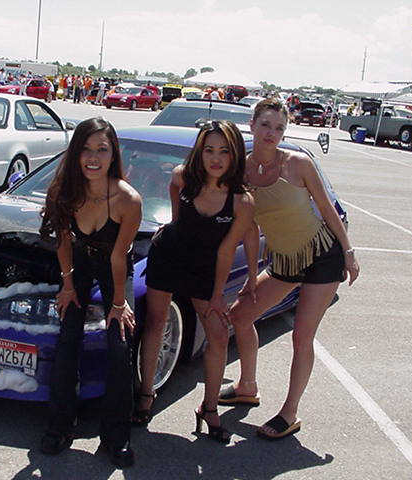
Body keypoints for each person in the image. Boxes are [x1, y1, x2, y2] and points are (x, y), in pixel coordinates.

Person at [219, 98, 360, 440]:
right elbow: (250, 227)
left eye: (279, 127)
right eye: (265, 125)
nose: (272, 133)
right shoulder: (241, 172)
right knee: (239, 316)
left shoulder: (298, 164)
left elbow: (327, 208)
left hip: (322, 256)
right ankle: (247, 386)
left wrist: (348, 252)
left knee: (301, 336)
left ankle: (289, 412)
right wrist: (250, 277)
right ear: (252, 125)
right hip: (284, 261)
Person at [134, 120, 255, 444]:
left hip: (205, 268)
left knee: (218, 334)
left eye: (224, 151)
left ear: (235, 154)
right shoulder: (183, 177)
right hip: (169, 257)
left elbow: (227, 250)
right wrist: (174, 225)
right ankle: (146, 394)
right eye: (208, 150)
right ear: (199, 152)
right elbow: (175, 201)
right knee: (156, 322)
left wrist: (217, 295)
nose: (215, 158)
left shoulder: (241, 201)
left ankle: (209, 408)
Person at [39, 118, 142, 468]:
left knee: (120, 344)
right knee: (68, 337)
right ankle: (59, 426)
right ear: (76, 153)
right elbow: (63, 242)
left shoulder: (128, 200)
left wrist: (118, 305)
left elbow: (118, 257)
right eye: (86, 149)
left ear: (114, 154)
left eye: (102, 149)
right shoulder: (64, 190)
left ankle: (116, 437)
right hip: (79, 262)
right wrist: (68, 286)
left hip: (115, 266)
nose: (93, 158)